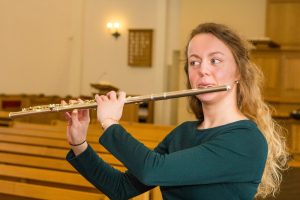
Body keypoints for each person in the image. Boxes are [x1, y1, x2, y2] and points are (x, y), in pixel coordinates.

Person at [64, 23, 288, 200]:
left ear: (238, 72)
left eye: (215, 60)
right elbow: (120, 188)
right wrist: (79, 144)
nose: (203, 71)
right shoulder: (183, 133)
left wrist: (111, 123)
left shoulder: (246, 140)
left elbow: (151, 170)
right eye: (194, 62)